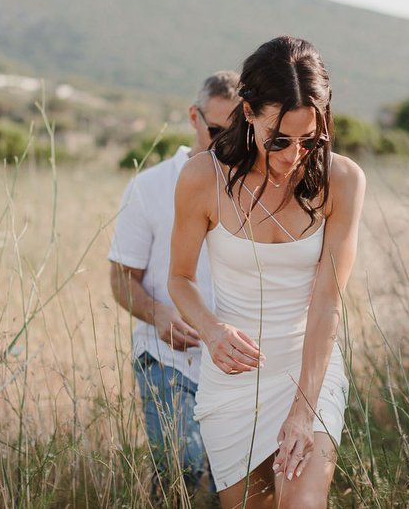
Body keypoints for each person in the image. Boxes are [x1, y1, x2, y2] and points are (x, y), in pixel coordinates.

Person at [169, 36, 366, 508]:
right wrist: (212, 331)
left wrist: (304, 411)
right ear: (249, 112)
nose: (293, 154)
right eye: (279, 139)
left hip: (309, 369)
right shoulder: (203, 178)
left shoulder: (342, 181)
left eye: (309, 139)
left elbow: (327, 303)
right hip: (233, 377)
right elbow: (179, 278)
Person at [108, 71, 240, 498]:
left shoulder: (256, 187)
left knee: (235, 486)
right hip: (166, 359)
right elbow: (120, 279)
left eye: (237, 132)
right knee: (180, 471)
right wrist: (159, 313)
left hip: (238, 365)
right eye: (216, 129)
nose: (225, 141)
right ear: (193, 116)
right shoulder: (147, 187)